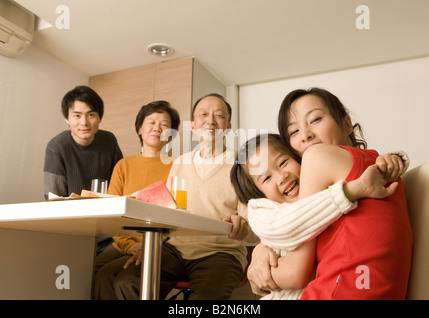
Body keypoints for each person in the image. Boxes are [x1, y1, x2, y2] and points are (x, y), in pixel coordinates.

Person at [247, 87, 413, 299]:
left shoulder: (317, 156)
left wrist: (257, 275)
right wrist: (262, 249)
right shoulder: (375, 164)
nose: (305, 134)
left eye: (315, 119)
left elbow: (295, 273)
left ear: (346, 124)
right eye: (294, 132)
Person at [113, 93, 259, 300]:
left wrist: (243, 225)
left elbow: (253, 230)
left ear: (228, 127)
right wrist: (149, 248)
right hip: (174, 250)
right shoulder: (180, 163)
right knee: (127, 282)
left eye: (218, 115)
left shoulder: (242, 164)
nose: (210, 120)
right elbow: (168, 214)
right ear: (192, 126)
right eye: (203, 114)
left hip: (220, 252)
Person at [231, 133, 404, 299]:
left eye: (283, 162)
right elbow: (293, 223)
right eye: (267, 178)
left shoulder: (318, 187)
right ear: (258, 194)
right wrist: (353, 190)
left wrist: (394, 160)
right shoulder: (260, 210)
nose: (282, 177)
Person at [93, 100, 180, 300]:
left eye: (165, 124)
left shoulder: (178, 166)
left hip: (161, 244)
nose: (157, 128)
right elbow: (111, 211)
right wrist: (129, 245)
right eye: (151, 122)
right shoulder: (123, 165)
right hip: (124, 242)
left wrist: (150, 246)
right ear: (140, 128)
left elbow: (178, 215)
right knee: (91, 270)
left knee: (116, 277)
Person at [43, 85, 123, 254]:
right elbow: (53, 200)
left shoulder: (109, 141)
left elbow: (121, 184)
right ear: (67, 118)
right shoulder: (57, 147)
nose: (84, 122)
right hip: (73, 231)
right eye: (77, 115)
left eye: (91, 114)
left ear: (99, 117)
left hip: (109, 232)